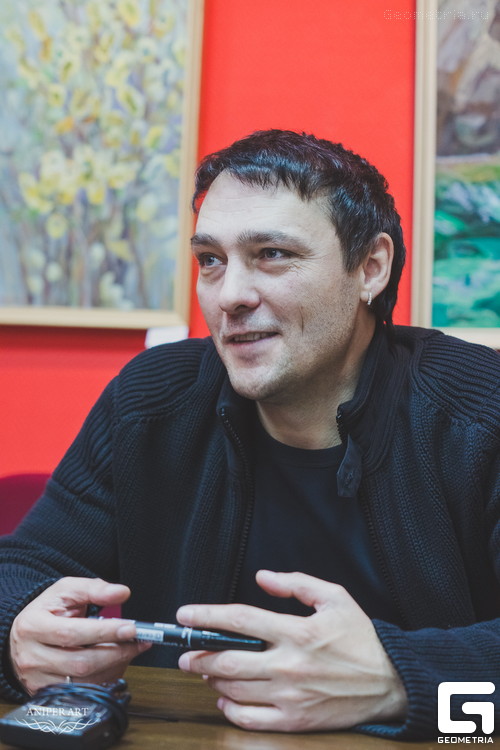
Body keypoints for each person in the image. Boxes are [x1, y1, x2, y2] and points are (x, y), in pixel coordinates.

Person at [0, 130, 499, 740]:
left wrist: (399, 681)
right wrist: (16, 632)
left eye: (272, 254)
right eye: (211, 260)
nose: (229, 296)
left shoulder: (481, 410)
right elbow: (21, 567)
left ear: (371, 267)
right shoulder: (151, 400)